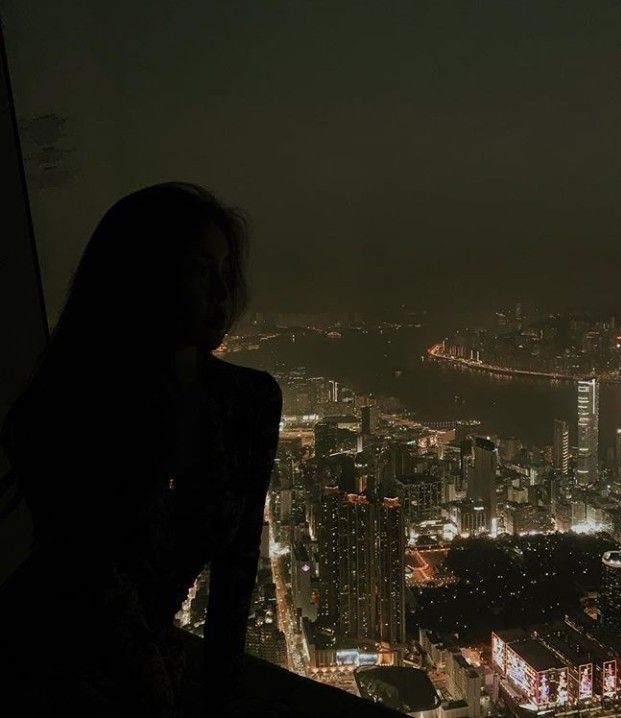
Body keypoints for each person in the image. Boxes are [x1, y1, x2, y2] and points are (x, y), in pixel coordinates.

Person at [0, 183, 403, 718]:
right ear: (142, 276)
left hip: (145, 672)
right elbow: (88, 578)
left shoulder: (248, 401)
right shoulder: (59, 411)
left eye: (225, 268)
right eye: (196, 268)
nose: (220, 289)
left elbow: (236, 573)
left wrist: (217, 690)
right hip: (43, 666)